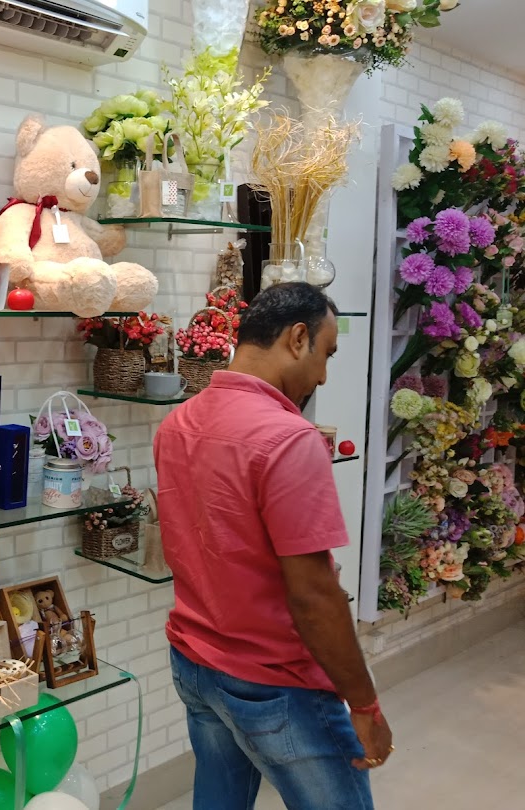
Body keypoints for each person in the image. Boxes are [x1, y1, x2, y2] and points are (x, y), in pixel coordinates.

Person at [153, 283, 392, 810]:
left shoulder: (177, 423)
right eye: (326, 354)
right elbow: (313, 594)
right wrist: (365, 704)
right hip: (274, 680)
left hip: (194, 659)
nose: (324, 375)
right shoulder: (288, 438)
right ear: (298, 337)